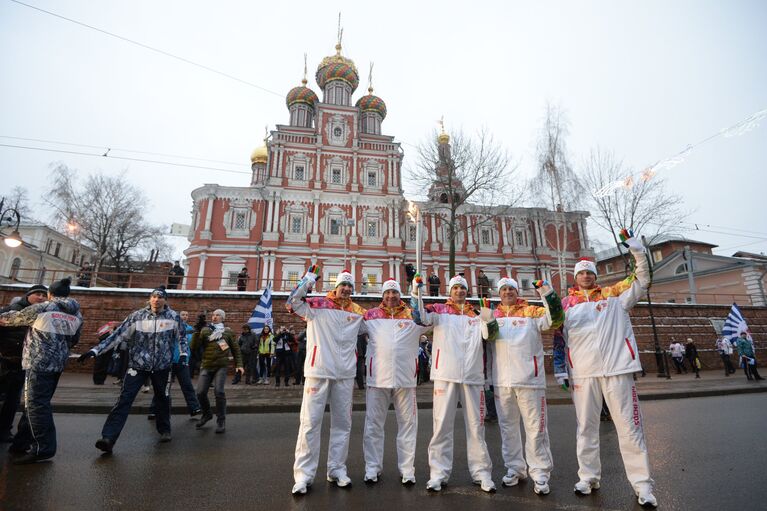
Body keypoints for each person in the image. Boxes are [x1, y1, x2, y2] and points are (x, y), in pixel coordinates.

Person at [555, 229, 658, 508]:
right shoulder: (566, 305)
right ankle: (588, 477)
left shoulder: (615, 296)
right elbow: (556, 335)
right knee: (586, 427)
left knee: (629, 427)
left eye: (590, 273)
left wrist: (636, 250)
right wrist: (561, 368)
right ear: (575, 278)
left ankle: (643, 485)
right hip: (583, 373)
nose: (586, 277)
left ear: (595, 276)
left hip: (617, 370)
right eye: (581, 273)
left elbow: (642, 279)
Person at [413, 274, 497, 493]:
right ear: (450, 291)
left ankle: (482, 473)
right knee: (441, 426)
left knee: (476, 427)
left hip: (472, 377)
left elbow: (490, 336)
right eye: (456, 288)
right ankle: (438, 473)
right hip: (445, 375)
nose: (459, 291)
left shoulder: (477, 313)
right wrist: (416, 292)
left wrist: (488, 317)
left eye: (463, 288)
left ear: (467, 291)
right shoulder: (439, 311)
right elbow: (419, 317)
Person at [288, 268, 366, 495]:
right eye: (343, 285)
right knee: (310, 424)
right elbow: (292, 302)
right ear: (336, 286)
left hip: (345, 374)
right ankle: (303, 475)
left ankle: (337, 469)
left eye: (350, 286)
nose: (346, 289)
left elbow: (379, 329)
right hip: (318, 371)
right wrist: (308, 279)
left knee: (343, 424)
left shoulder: (358, 311)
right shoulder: (317, 306)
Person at [79, 286, 183, 453]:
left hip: (163, 367)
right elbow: (117, 335)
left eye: (160, 297)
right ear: (150, 299)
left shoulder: (173, 317)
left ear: (165, 300)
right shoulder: (137, 316)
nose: (156, 300)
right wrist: (95, 350)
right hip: (137, 366)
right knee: (124, 400)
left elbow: (181, 338)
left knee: (162, 398)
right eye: (154, 296)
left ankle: (164, 430)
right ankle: (108, 438)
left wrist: (183, 355)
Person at [486, 276, 564, 495]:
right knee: (508, 428)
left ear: (517, 291)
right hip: (502, 382)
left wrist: (546, 293)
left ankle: (540, 473)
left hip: (530, 380)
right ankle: (515, 468)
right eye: (504, 290)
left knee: (536, 429)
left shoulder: (532, 312)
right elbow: (486, 343)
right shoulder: (493, 315)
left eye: (511, 289)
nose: (508, 292)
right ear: (498, 293)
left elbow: (555, 319)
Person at [0, 278, 82, 464]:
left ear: (51, 294)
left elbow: (11, 319)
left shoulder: (44, 308)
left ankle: (43, 448)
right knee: (37, 404)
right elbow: (75, 338)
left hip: (38, 362)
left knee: (37, 405)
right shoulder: (77, 313)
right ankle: (21, 442)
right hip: (58, 364)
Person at [362, 279, 430, 485]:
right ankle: (372, 467)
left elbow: (430, 321)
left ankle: (407, 469)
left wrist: (416, 294)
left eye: (395, 292)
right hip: (377, 379)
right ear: (382, 295)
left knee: (408, 425)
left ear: (400, 295)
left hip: (405, 379)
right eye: (387, 292)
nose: (391, 296)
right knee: (373, 425)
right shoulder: (370, 316)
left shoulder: (413, 316)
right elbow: (344, 328)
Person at [0, 284, 48, 444]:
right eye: (37, 294)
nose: (41, 297)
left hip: (24, 364)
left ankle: (4, 430)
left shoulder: (42, 315)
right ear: (28, 295)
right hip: (5, 361)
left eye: (44, 295)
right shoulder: (12, 311)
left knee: (13, 399)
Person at [191, 309, 244, 433]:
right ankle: (207, 414)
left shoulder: (228, 332)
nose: (215, 317)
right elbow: (194, 347)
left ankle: (221, 420)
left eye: (218, 315)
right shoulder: (205, 330)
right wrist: (197, 331)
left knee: (219, 391)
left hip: (221, 365)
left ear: (223, 318)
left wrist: (239, 365)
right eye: (213, 315)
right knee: (200, 392)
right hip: (207, 365)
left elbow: (236, 350)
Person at [148, 310, 201, 419]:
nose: (184, 316)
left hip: (182, 361)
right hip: (168, 361)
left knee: (187, 385)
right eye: (182, 315)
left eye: (186, 315)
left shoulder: (190, 330)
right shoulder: (169, 326)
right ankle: (154, 410)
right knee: (162, 387)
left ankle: (194, 408)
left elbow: (191, 345)